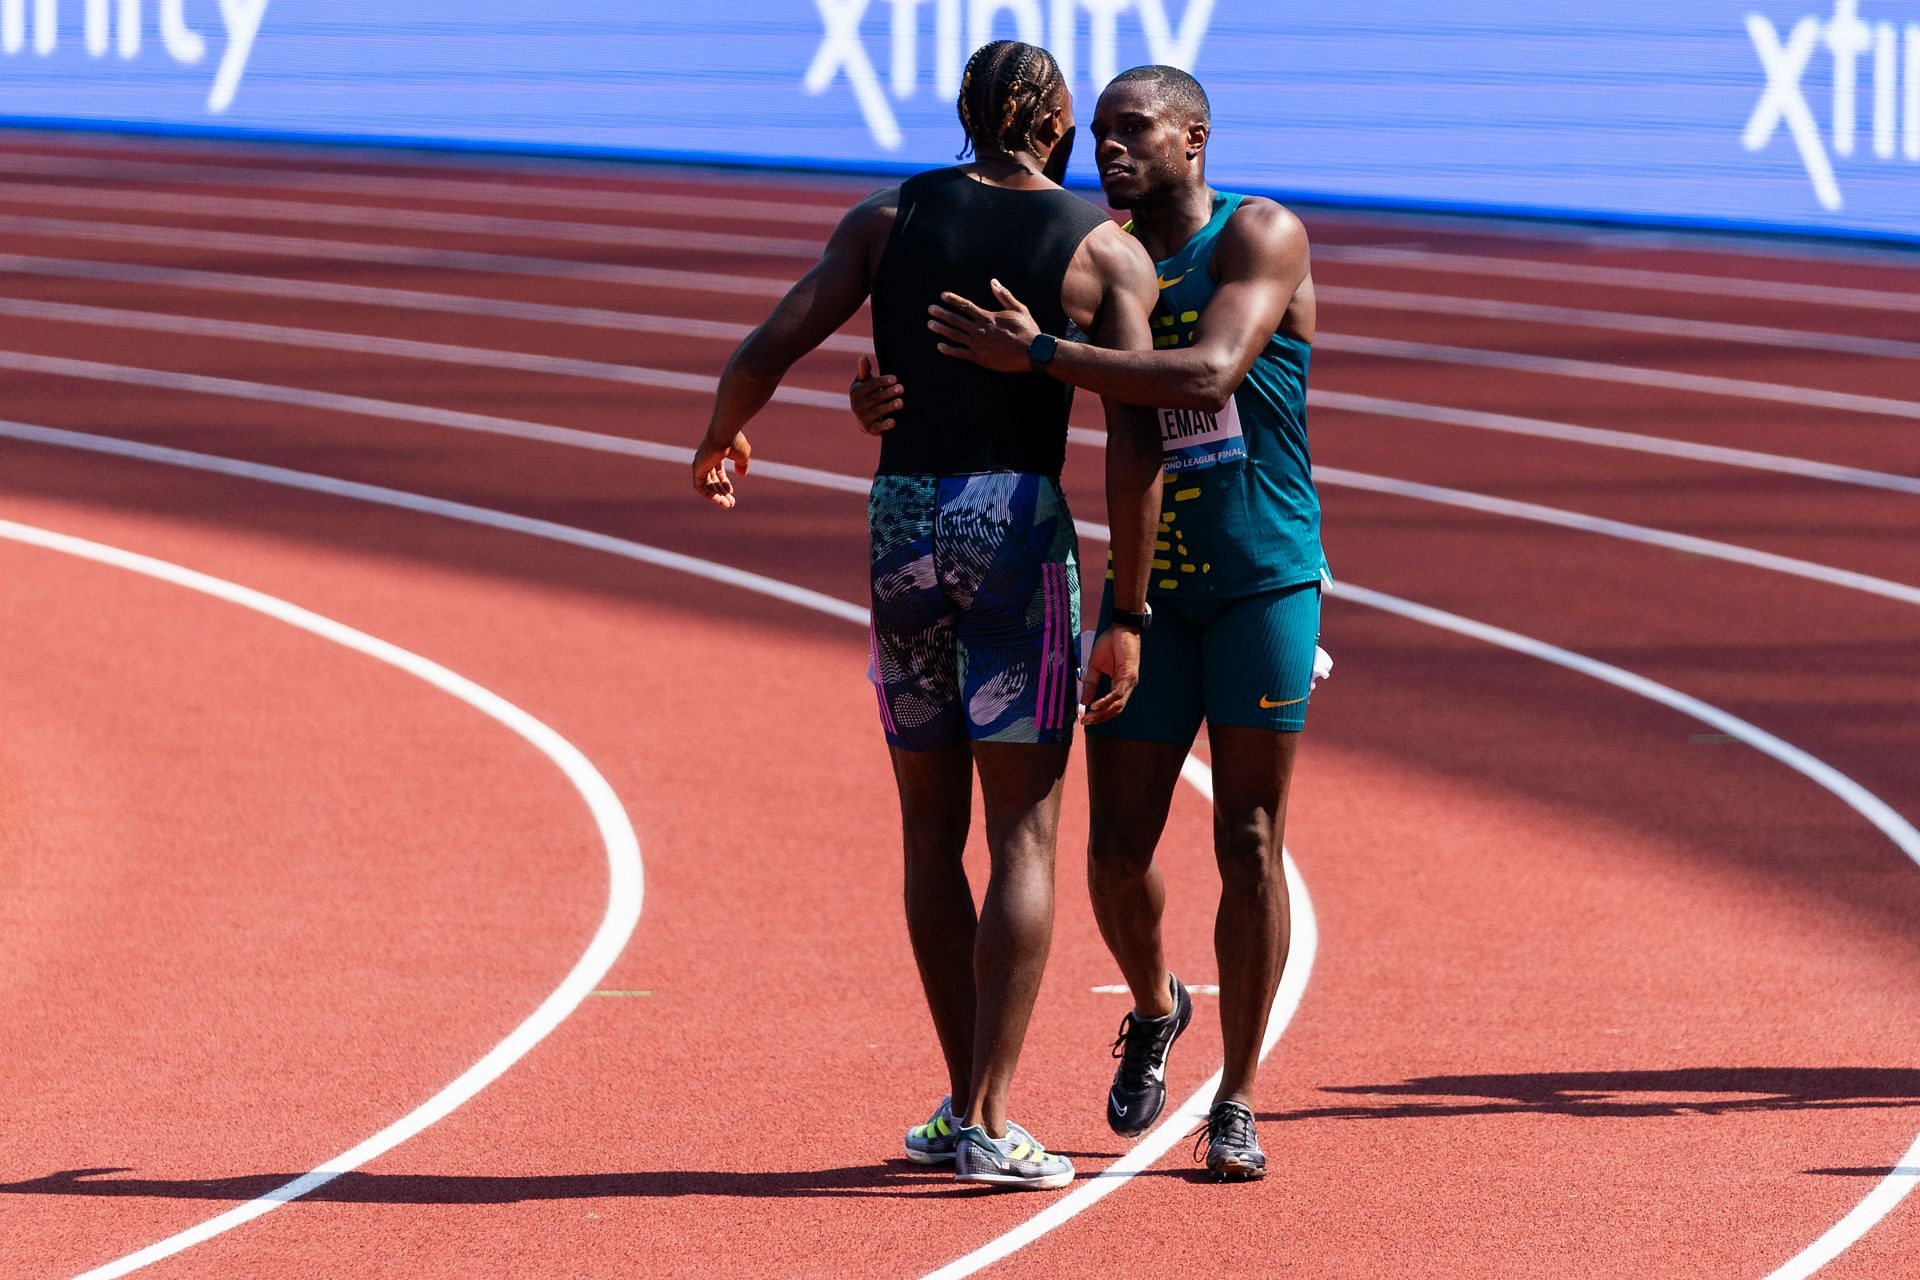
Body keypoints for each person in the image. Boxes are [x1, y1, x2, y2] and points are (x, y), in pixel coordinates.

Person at [690, 40, 1165, 1190]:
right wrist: (1130, 607)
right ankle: (994, 1119)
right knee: (1024, 834)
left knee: (926, 831)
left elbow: (771, 343)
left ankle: (964, 1097)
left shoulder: (888, 217)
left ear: (961, 117)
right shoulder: (1102, 250)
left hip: (902, 520)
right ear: (1055, 126)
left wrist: (722, 430)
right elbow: (1138, 430)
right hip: (1013, 528)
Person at [849, 64, 1325, 1181]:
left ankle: (1239, 1098)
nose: (1110, 149)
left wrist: (1047, 355)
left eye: (1136, 130)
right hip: (1145, 596)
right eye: (1098, 131)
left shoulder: (1258, 235)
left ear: (1196, 137)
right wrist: (886, 400)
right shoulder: (1089, 254)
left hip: (1261, 577)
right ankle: (1158, 1002)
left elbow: (1208, 368)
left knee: (1250, 836)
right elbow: (988, 386)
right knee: (1114, 852)